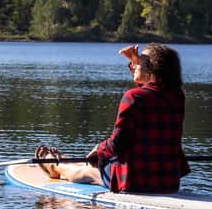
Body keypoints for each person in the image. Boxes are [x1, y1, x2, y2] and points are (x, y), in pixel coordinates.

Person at [36, 43, 190, 193]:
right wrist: (137, 63)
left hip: (134, 181)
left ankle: (55, 166)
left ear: (153, 68)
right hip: (168, 181)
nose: (135, 64)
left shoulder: (133, 97)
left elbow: (118, 144)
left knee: (89, 171)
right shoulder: (177, 96)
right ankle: (66, 160)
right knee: (100, 161)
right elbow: (151, 92)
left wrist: (98, 149)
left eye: (140, 61)